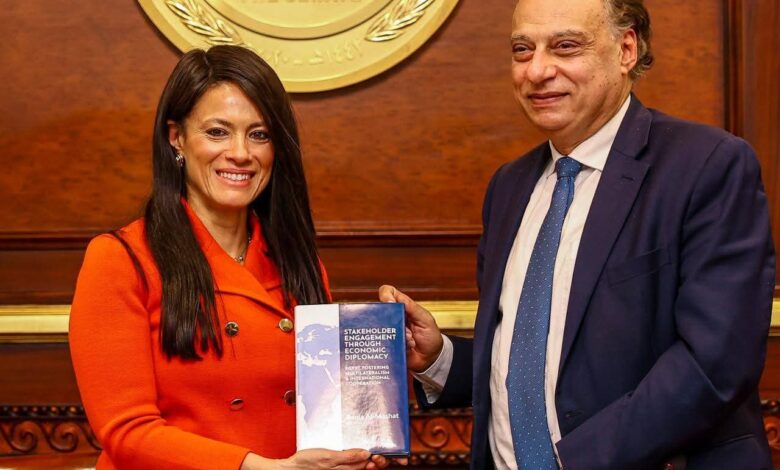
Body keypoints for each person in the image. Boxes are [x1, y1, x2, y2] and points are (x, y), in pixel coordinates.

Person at [380, 0, 775, 468]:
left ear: (626, 49)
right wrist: (439, 359)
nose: (537, 71)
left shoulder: (707, 165)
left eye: (565, 46)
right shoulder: (509, 187)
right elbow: (541, 367)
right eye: (522, 50)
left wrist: (570, 462)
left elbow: (714, 364)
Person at [70, 45, 388, 470]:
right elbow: (126, 431)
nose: (240, 153)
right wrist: (259, 468)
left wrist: (359, 450)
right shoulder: (120, 259)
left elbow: (325, 405)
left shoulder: (298, 261)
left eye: (259, 135)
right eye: (218, 132)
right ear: (176, 138)